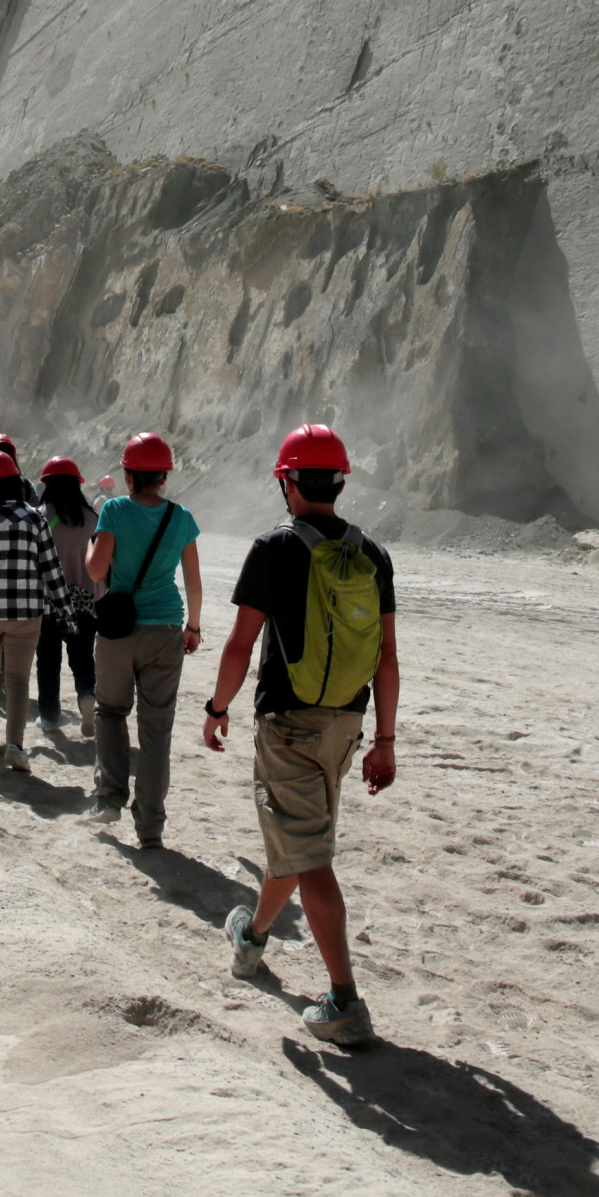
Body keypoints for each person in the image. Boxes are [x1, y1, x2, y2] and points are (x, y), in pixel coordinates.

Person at [202, 424, 399, 1048]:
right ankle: (253, 938)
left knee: (310, 854)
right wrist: (384, 739)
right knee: (299, 834)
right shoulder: (372, 553)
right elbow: (388, 658)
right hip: (346, 723)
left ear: (287, 481)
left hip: (287, 723)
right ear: (338, 482)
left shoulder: (275, 547)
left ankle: (343, 1000)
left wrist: (216, 706)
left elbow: (240, 643)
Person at [85, 432, 204, 848]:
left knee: (110, 712)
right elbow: (193, 581)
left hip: (120, 631)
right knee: (157, 730)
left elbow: (97, 572)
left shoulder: (114, 510)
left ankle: (110, 797)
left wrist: (90, 548)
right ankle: (150, 826)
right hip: (167, 629)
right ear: (164, 477)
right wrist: (194, 627)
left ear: (128, 474)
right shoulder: (182, 518)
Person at [0, 449, 73, 772]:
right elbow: (51, 568)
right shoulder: (35, 518)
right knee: (18, 680)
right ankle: (16, 747)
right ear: (16, 481)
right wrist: (65, 609)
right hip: (26, 613)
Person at [34, 455, 99, 736]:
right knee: (83, 657)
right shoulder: (93, 518)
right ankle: (86, 695)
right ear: (77, 484)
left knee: (48, 660)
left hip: (48, 601)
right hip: (85, 600)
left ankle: (49, 717)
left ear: (46, 484)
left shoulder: (39, 516)